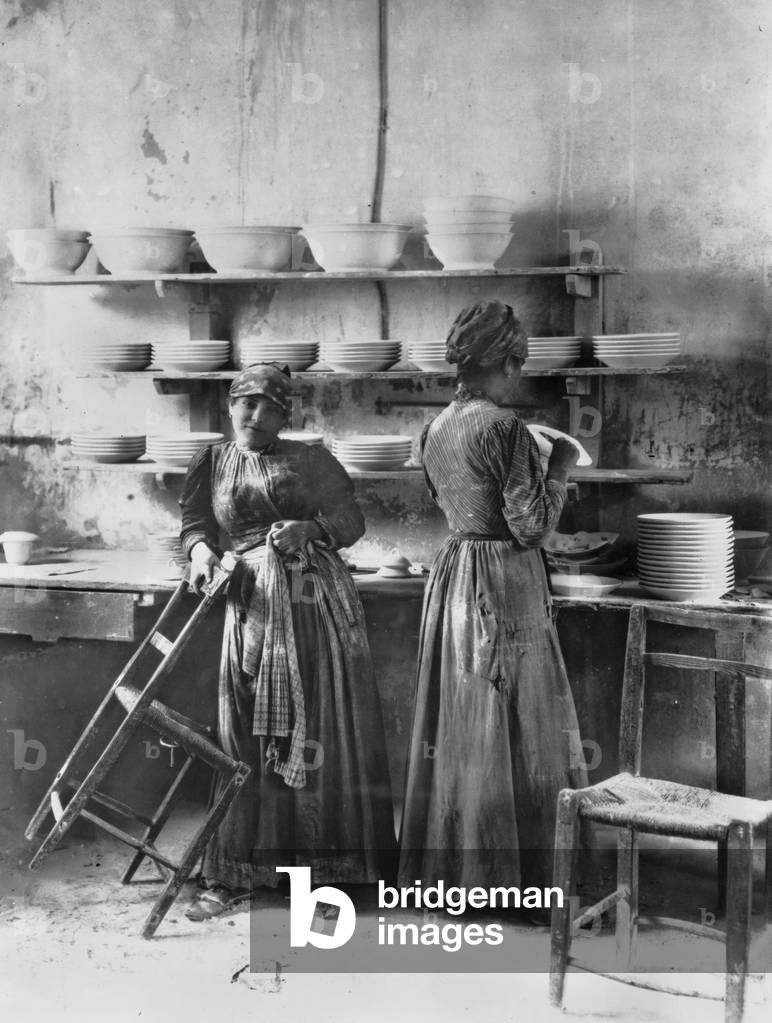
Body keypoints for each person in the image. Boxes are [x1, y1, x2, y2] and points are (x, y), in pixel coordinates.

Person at [179, 363, 395, 919]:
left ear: (284, 416)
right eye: (246, 404)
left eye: (270, 407)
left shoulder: (310, 459)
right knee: (244, 729)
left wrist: (311, 530)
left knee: (318, 728)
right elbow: (196, 523)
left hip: (312, 604)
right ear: (230, 407)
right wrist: (201, 550)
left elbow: (351, 520)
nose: (256, 416)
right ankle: (237, 872)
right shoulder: (210, 461)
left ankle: (326, 878)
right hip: (249, 602)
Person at [398, 300, 588, 896]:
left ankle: (456, 870)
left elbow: (452, 498)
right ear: (505, 361)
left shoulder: (433, 428)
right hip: (503, 575)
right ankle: (518, 875)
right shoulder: (505, 428)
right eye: (521, 362)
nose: (521, 374)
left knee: (462, 715)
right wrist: (559, 465)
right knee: (520, 716)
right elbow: (530, 527)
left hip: (455, 569)